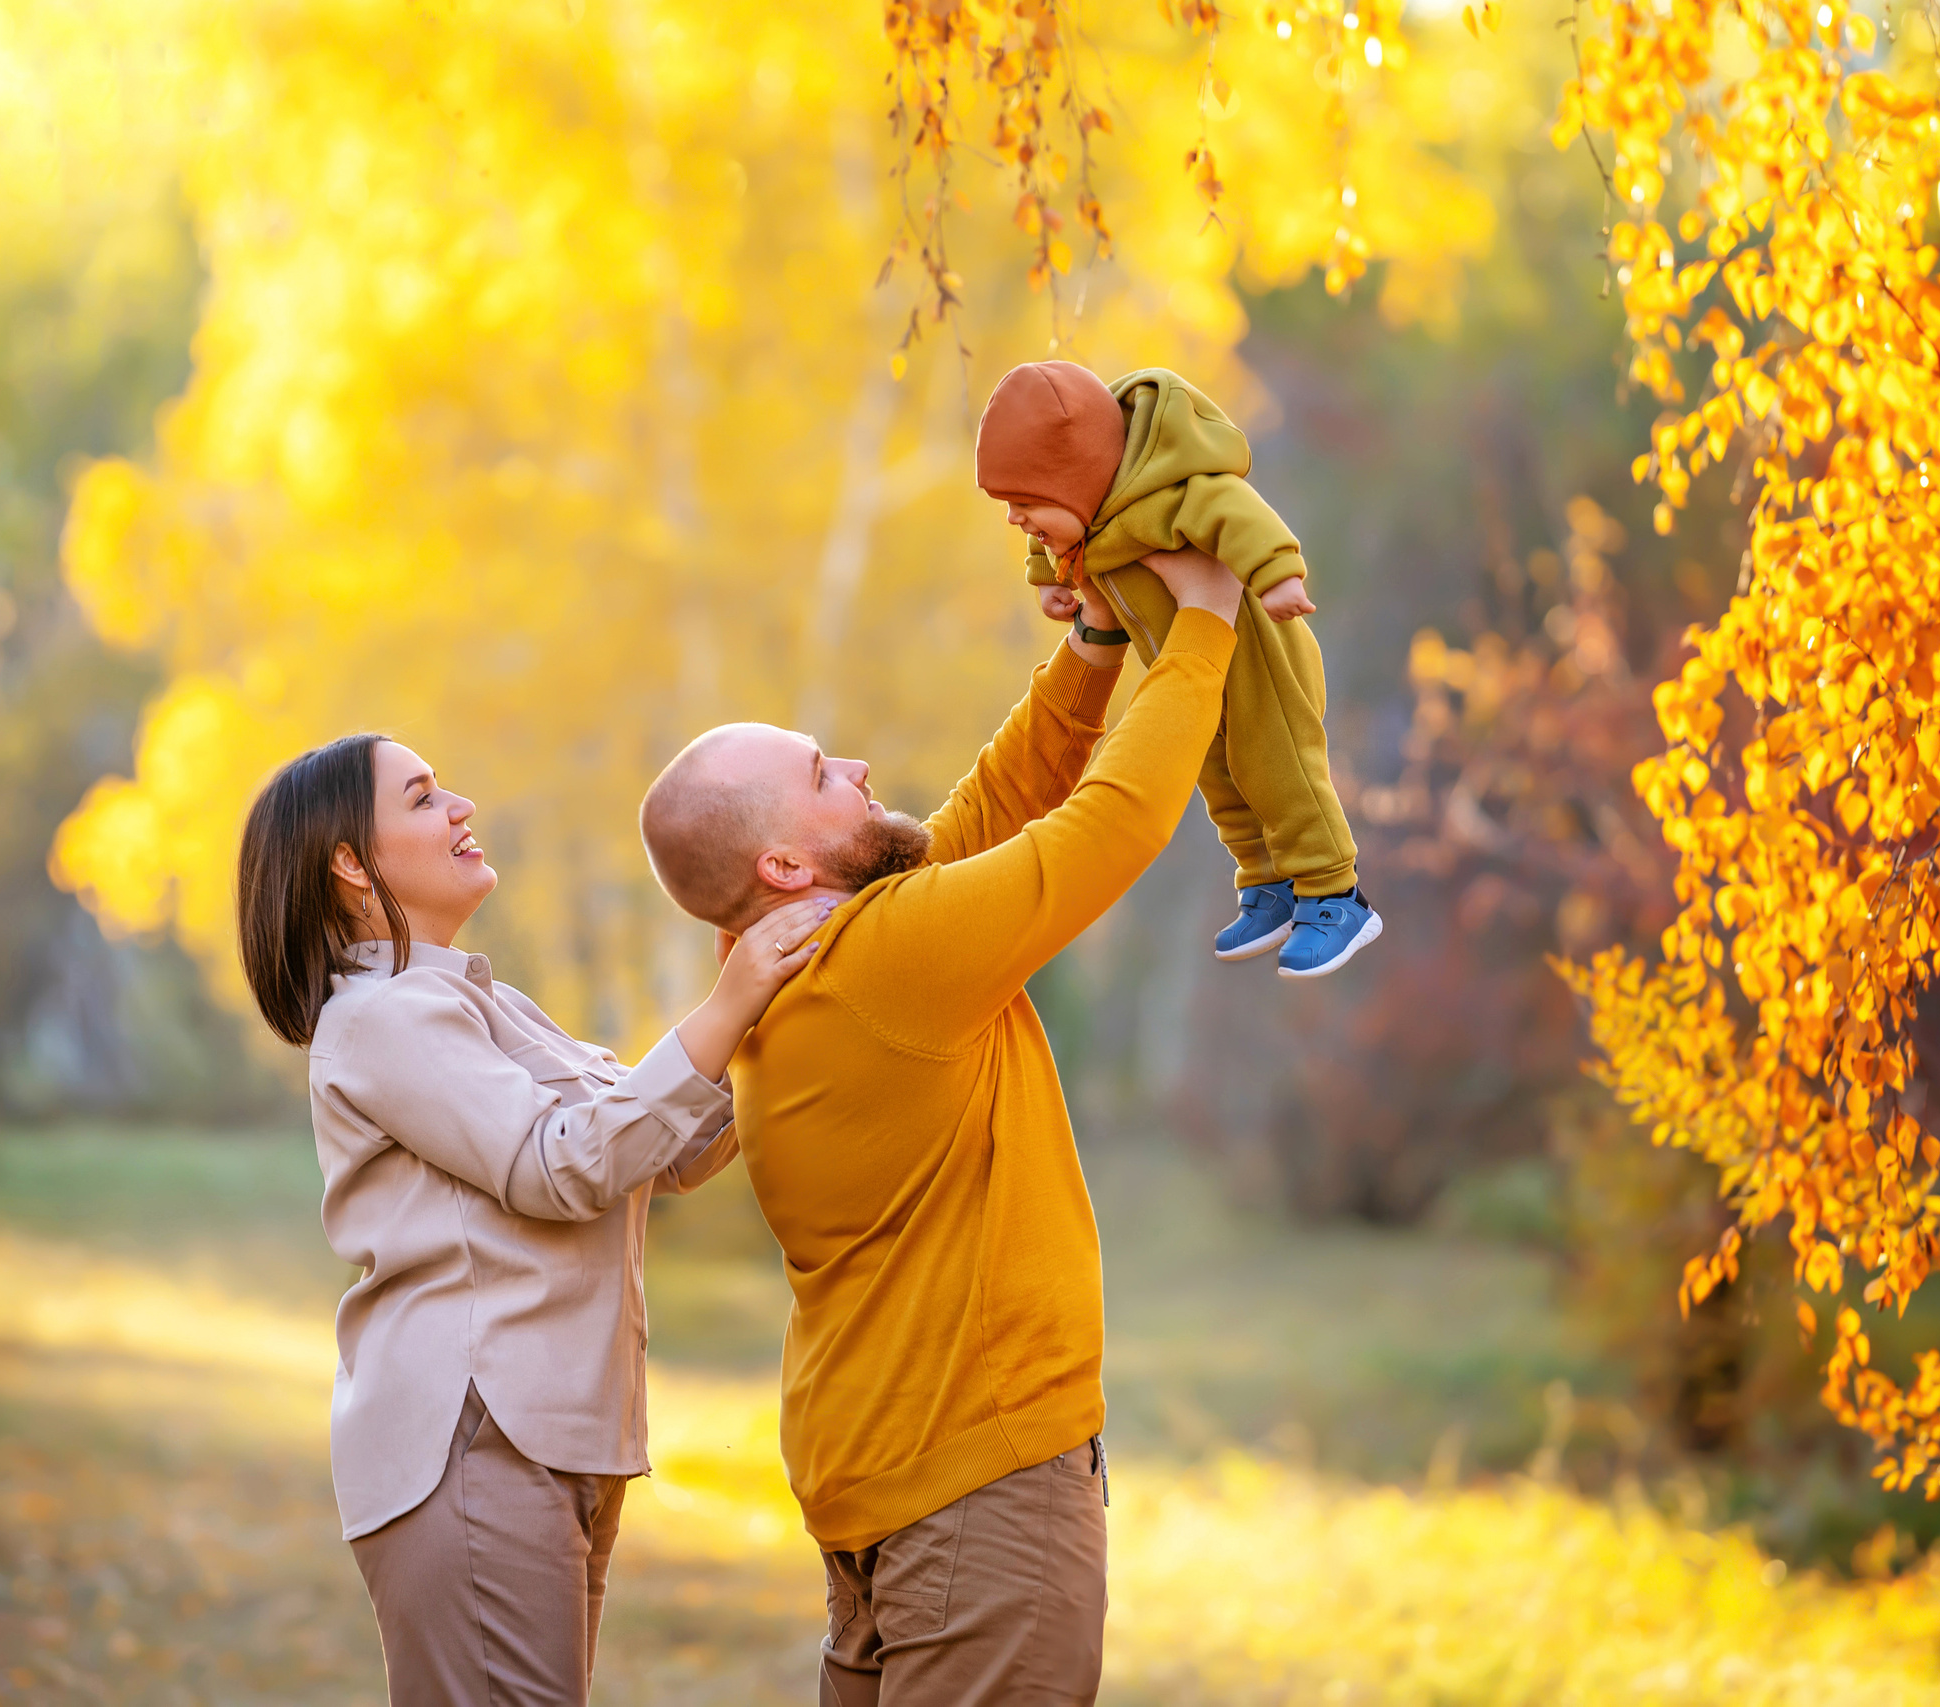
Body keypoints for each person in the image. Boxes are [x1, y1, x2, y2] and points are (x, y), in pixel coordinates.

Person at [636, 547, 1244, 1706]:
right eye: (823, 774)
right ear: (782, 861)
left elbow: (984, 817)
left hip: (888, 1482)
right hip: (979, 1492)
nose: (857, 766)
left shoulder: (792, 968)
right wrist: (1204, 624)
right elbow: (1106, 827)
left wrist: (1094, 647)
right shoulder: (888, 960)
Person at [235, 732, 831, 1706]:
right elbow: (558, 1168)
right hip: (473, 1440)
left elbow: (661, 1149)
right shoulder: (380, 1019)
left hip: (553, 1442)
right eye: (424, 798)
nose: (461, 806)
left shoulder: (486, 1004)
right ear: (350, 863)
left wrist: (761, 995)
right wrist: (730, 1004)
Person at [978, 358, 1383, 977]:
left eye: (1026, 503)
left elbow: (1236, 511)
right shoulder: (1085, 515)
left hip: (1258, 661)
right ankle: (1267, 884)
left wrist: (1277, 575)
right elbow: (1051, 536)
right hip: (1191, 665)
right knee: (1218, 774)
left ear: (1077, 480)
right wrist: (1048, 579)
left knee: (1278, 768)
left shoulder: (1168, 494)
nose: (1016, 519)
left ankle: (1335, 894)